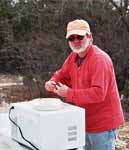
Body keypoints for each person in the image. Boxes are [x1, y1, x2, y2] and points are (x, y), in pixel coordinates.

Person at [45, 19, 124, 150]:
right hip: (84, 122)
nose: (76, 41)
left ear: (90, 36)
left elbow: (98, 93)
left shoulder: (99, 59)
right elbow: (61, 74)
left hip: (103, 126)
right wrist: (52, 81)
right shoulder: (73, 57)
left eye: (80, 36)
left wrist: (69, 93)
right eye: (71, 38)